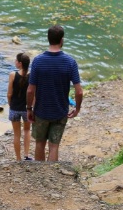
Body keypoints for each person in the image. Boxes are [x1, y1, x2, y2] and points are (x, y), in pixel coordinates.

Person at [26, 25, 83, 162]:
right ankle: (52, 173)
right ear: (62, 40)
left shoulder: (38, 61)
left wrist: (29, 109)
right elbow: (79, 91)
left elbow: (30, 90)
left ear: (48, 39)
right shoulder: (70, 62)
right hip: (60, 112)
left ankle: (40, 172)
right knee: (54, 146)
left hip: (41, 111)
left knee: (40, 144)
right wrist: (77, 109)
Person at [7, 53, 32, 161]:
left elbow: (9, 94)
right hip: (27, 109)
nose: (15, 62)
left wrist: (10, 104)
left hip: (15, 108)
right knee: (27, 131)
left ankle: (18, 159)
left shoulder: (12, 75)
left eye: (16, 60)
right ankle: (26, 156)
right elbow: (33, 93)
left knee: (16, 135)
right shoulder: (31, 75)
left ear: (20, 63)